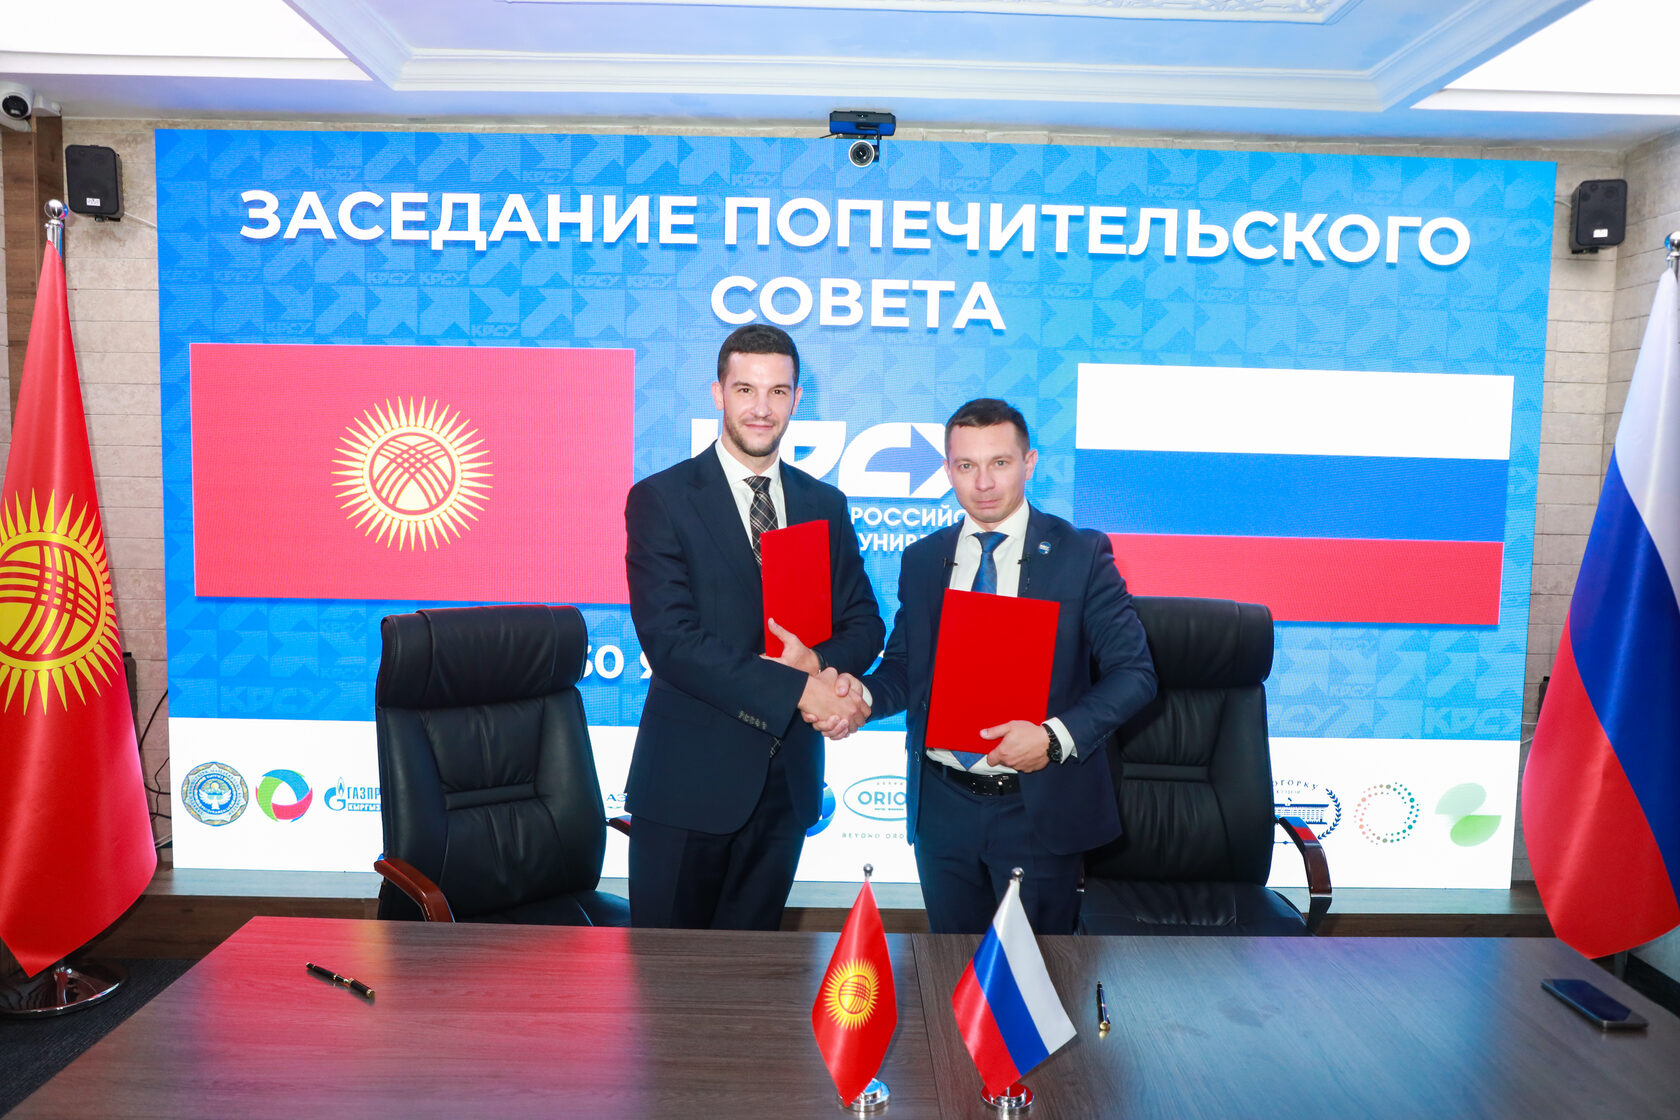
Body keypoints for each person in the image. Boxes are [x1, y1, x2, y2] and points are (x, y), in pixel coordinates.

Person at [810, 397, 1156, 934]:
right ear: (947, 470)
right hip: (942, 811)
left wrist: (1053, 737)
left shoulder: (1080, 555)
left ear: (1029, 463)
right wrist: (861, 699)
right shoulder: (923, 559)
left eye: (1000, 462)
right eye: (967, 465)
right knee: (952, 970)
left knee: (1038, 974)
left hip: (1037, 807)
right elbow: (905, 668)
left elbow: (1134, 674)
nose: (984, 482)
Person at [623, 323, 880, 930]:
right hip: (688, 787)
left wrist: (817, 664)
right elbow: (673, 643)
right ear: (718, 394)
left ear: (796, 399)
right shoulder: (662, 499)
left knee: (756, 974)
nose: (761, 408)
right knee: (669, 976)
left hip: (787, 788)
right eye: (745, 390)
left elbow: (865, 624)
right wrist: (800, 690)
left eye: (777, 392)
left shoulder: (823, 503)